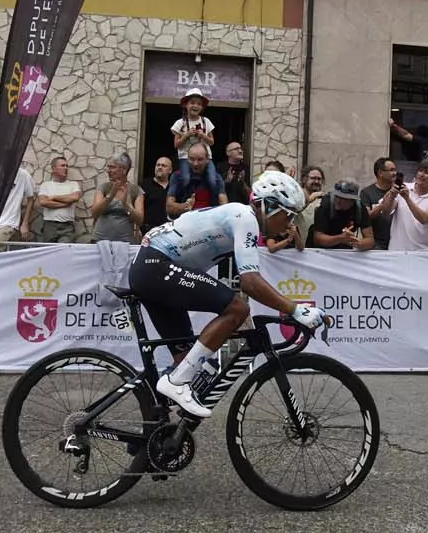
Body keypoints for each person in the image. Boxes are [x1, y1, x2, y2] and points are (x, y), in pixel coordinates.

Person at [132, 171, 323, 417]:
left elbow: (250, 278)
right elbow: (250, 282)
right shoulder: (245, 217)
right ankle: (176, 383)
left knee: (187, 361)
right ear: (269, 206)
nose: (289, 224)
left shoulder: (239, 216)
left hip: (154, 268)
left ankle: (150, 442)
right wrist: (296, 310)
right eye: (288, 216)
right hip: (156, 267)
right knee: (237, 308)